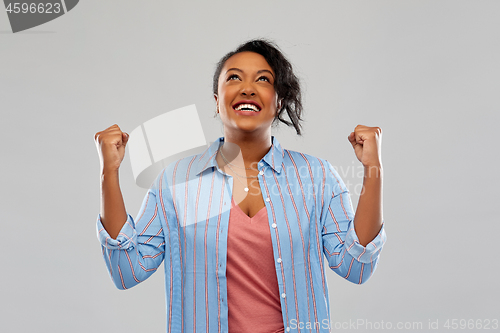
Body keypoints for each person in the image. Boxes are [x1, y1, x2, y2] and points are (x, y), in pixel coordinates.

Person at [94, 39, 386, 333]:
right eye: (234, 77)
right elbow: (127, 270)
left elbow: (355, 266)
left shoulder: (317, 177)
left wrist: (373, 169)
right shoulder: (176, 181)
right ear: (217, 100)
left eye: (263, 79)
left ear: (279, 101)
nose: (247, 88)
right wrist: (110, 172)